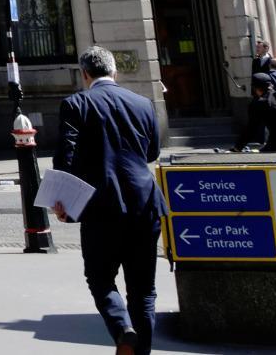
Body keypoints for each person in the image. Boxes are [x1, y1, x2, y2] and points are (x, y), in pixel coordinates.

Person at [54, 46, 161, 355]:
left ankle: (121, 328)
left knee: (100, 279)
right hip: (145, 203)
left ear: (85, 74)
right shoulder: (143, 103)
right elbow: (152, 152)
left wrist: (62, 199)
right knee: (144, 291)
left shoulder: (76, 103)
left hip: (102, 206)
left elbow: (66, 155)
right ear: (115, 72)